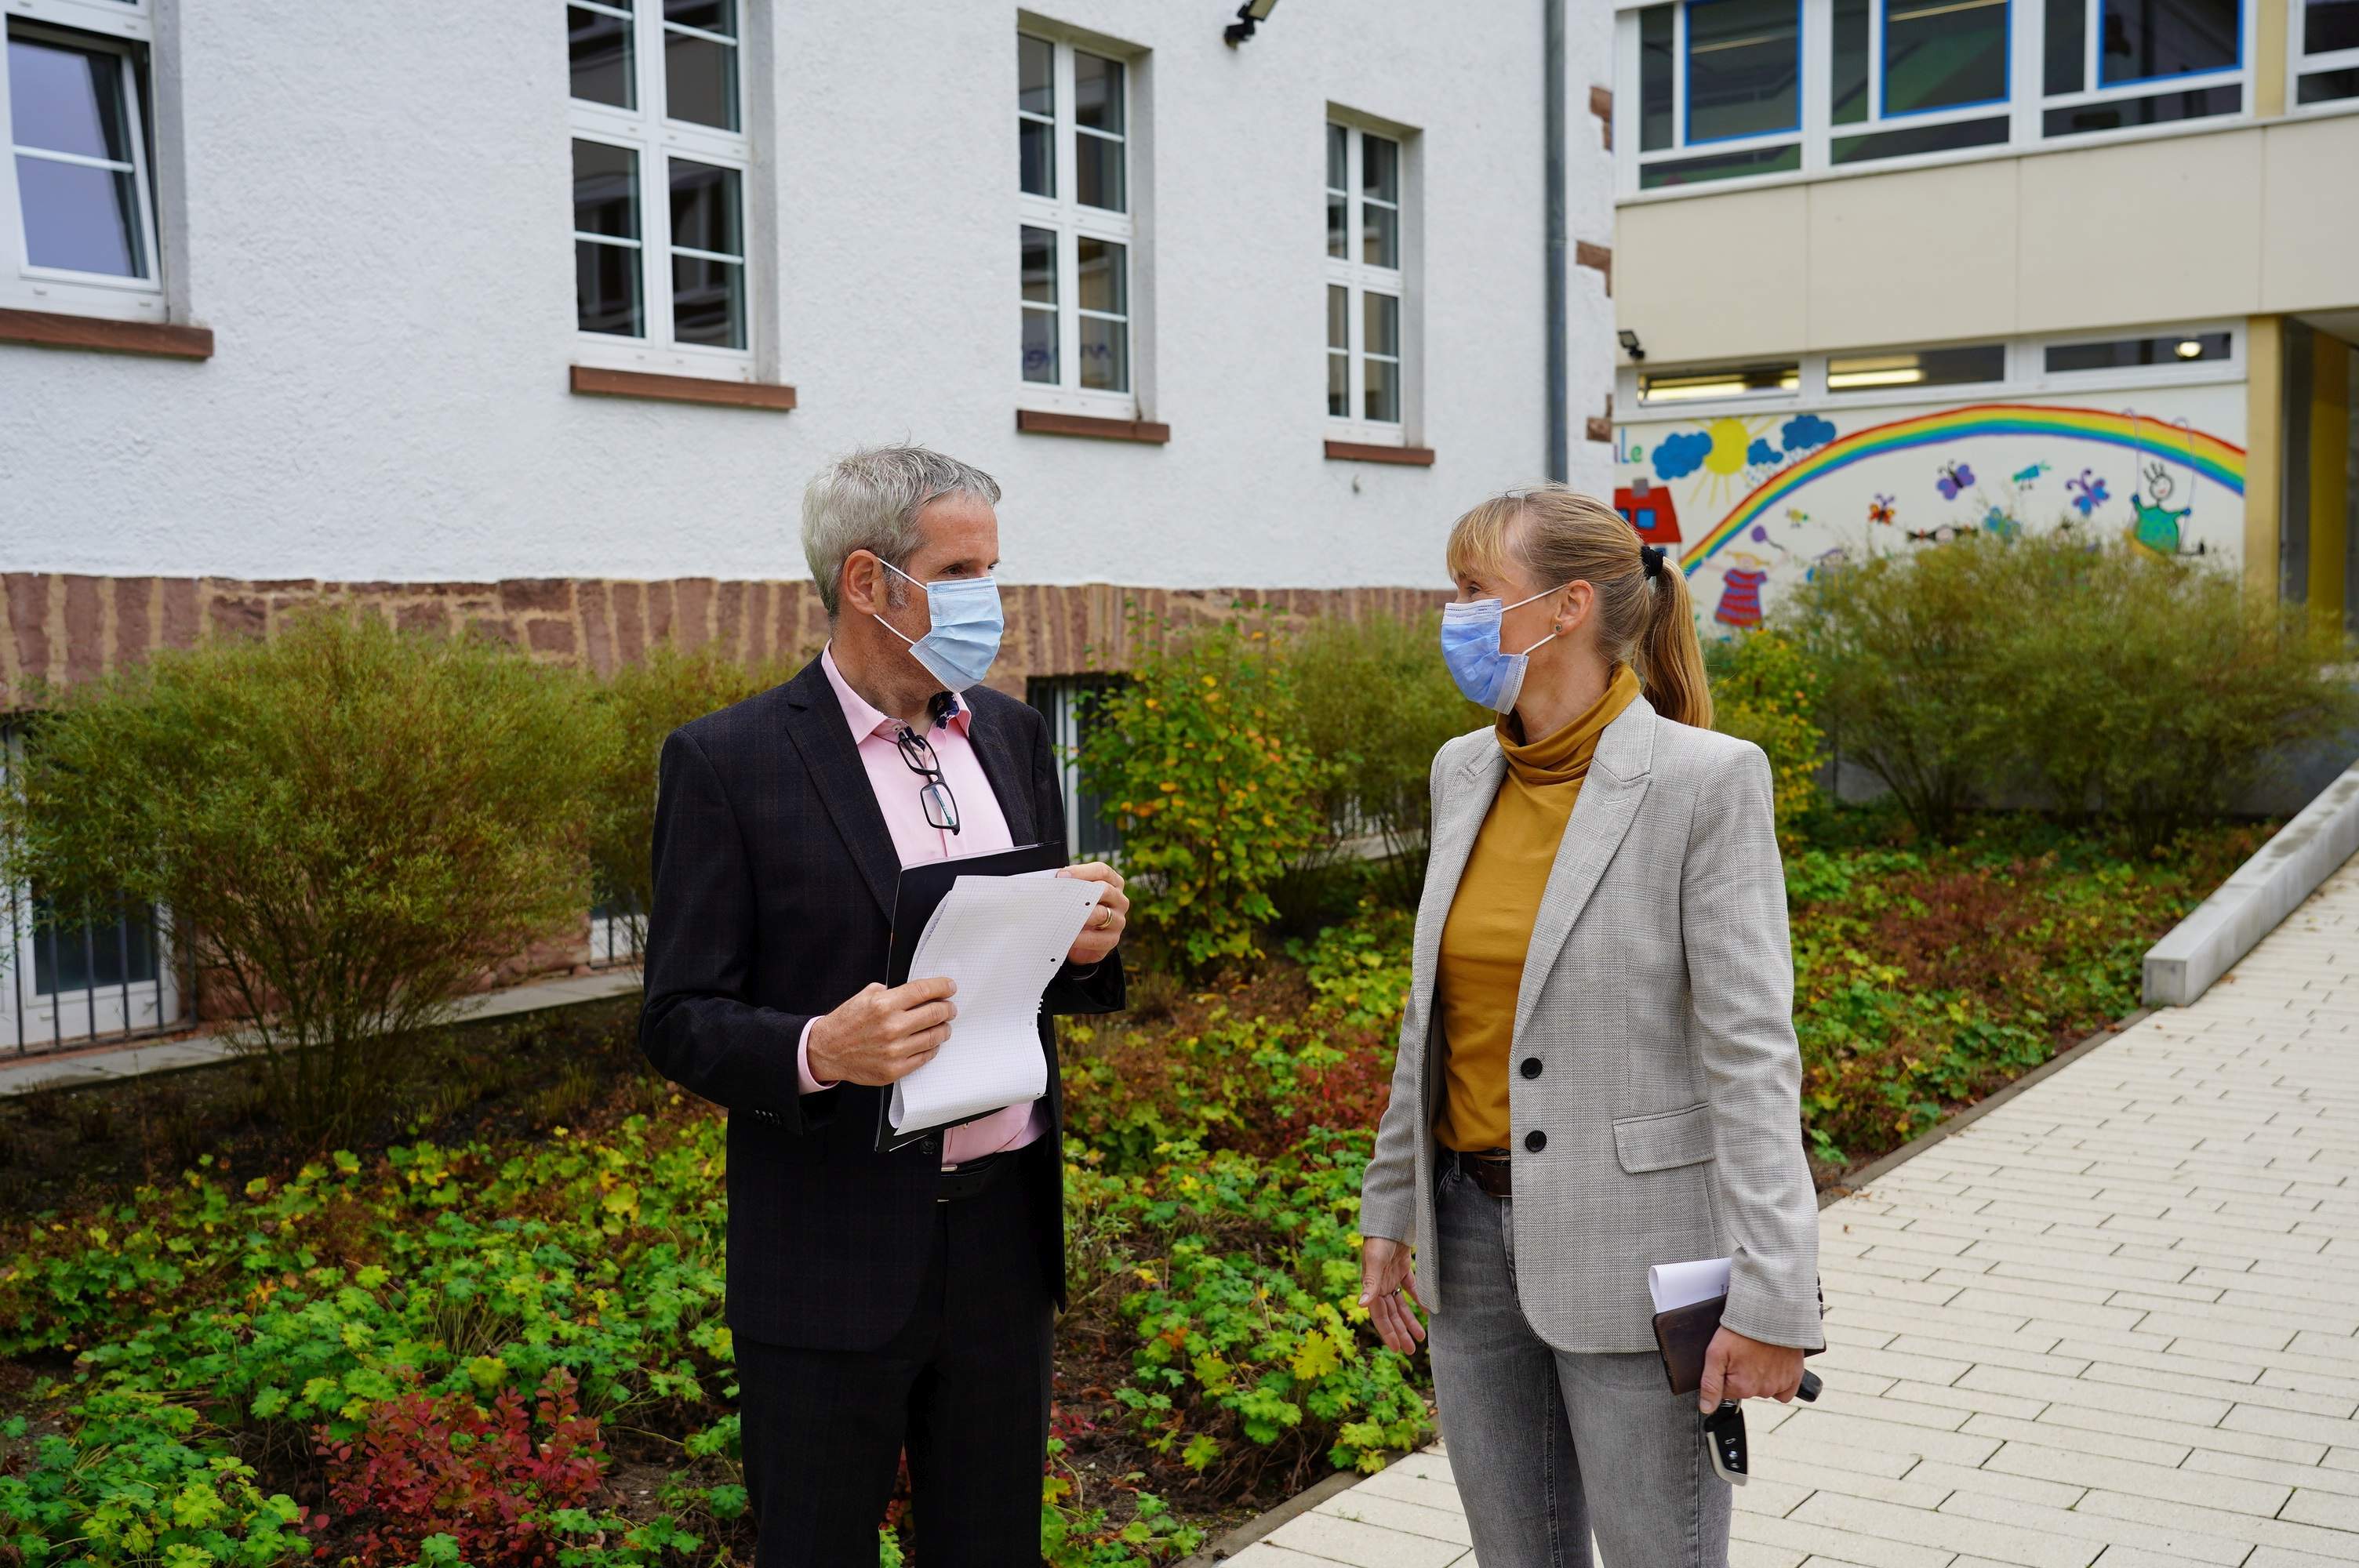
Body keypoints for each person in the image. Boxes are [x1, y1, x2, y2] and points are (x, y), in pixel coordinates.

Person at [638, 445, 1128, 1567]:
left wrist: (1088, 944)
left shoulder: (1005, 733)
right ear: (869, 582)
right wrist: (819, 1048)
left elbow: (1024, 962)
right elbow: (676, 1016)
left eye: (993, 567)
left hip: (1004, 1233)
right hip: (829, 1250)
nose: (989, 598)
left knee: (993, 1545)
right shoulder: (729, 762)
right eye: (961, 568)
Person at [1357, 485, 1820, 1568]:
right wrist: (1391, 1203)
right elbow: (1434, 1015)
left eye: (1476, 591)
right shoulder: (1461, 772)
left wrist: (1774, 1290)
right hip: (1468, 1243)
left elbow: (1753, 1057)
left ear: (1566, 608)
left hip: (1638, 1248)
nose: (1454, 615)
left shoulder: (1706, 782)